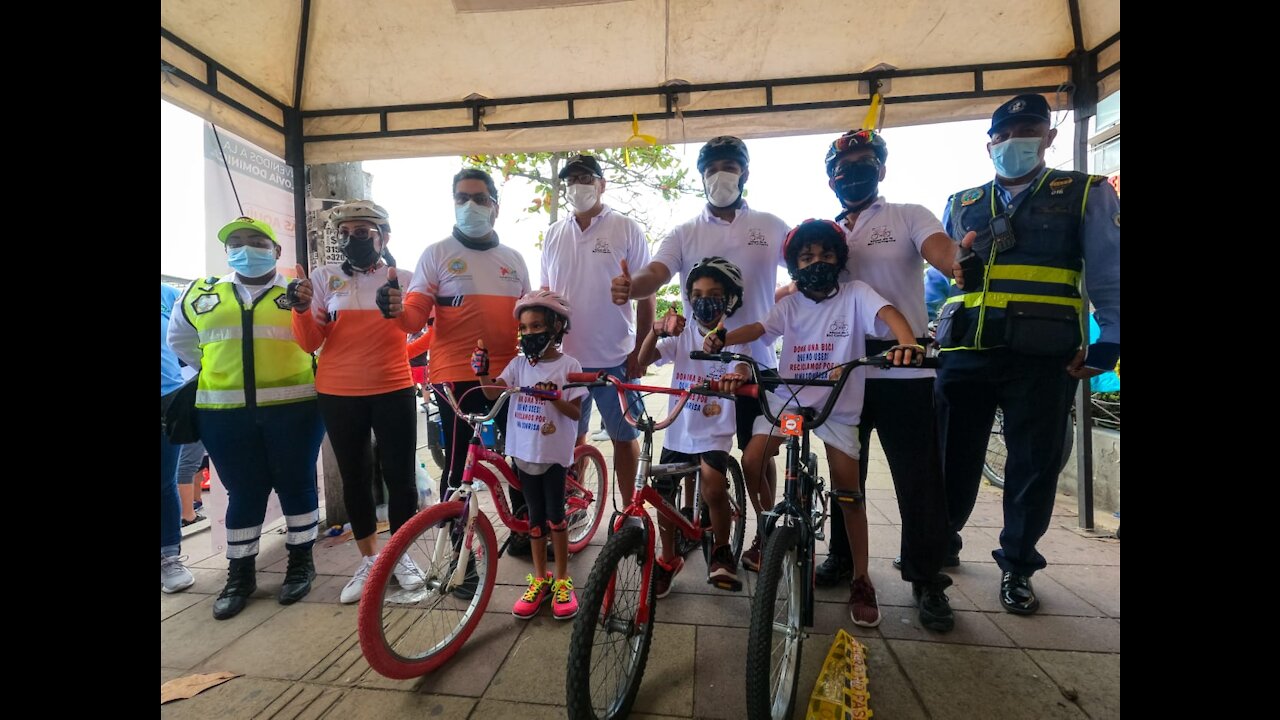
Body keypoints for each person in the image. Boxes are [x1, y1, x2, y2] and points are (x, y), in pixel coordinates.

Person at [936, 93, 1121, 614]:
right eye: (1006, 132)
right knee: (950, 457)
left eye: (1030, 129)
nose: (1016, 139)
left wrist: (1110, 342)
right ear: (990, 143)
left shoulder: (1085, 194)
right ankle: (942, 541)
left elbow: (1111, 274)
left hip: (1042, 355)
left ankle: (1017, 565)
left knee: (1033, 467)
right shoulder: (962, 202)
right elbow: (939, 284)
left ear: (1049, 137)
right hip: (966, 349)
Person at [705, 219, 922, 627]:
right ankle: (769, 527)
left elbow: (888, 313)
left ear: (839, 259)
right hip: (793, 407)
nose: (816, 262)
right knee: (754, 459)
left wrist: (906, 342)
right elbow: (761, 329)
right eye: (806, 257)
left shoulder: (855, 294)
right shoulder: (789, 305)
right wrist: (726, 337)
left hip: (838, 408)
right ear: (794, 266)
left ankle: (861, 578)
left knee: (848, 493)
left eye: (825, 255)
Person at [798, 129, 956, 632]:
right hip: (841, 364)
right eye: (844, 168)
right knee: (846, 470)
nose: (854, 172)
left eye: (865, 162)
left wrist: (959, 264)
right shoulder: (827, 234)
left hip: (902, 361)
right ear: (830, 179)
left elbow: (943, 253)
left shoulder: (908, 215)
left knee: (918, 476)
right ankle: (844, 559)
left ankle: (927, 576)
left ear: (881, 169)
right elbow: (799, 285)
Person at [611, 136, 790, 572]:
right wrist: (631, 287)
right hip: (698, 362)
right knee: (698, 462)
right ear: (701, 177)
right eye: (711, 169)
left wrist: (794, 296)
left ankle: (766, 535)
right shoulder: (684, 232)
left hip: (756, 361)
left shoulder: (769, 225)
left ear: (745, 173)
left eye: (729, 166)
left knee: (756, 456)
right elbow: (655, 272)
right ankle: (702, 542)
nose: (720, 176)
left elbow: (805, 261)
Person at [168, 217, 325, 620]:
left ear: (276, 251)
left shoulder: (298, 293)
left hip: (295, 410)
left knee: (297, 486)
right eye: (236, 242)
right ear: (226, 252)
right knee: (244, 493)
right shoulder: (202, 294)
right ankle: (240, 576)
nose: (245, 247)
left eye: (256, 241)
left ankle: (300, 565)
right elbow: (182, 343)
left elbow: (321, 341)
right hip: (223, 415)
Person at [290, 199, 425, 604]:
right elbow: (309, 342)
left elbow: (416, 327)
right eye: (344, 233)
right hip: (338, 392)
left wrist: (398, 309)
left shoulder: (403, 276)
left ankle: (399, 556)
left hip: (393, 387)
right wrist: (299, 309)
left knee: (400, 479)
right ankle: (370, 559)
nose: (352, 239)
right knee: (356, 477)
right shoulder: (323, 277)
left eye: (362, 232)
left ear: (383, 235)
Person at [540, 154, 654, 506]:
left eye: (586, 178)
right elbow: (546, 297)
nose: (578, 186)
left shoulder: (626, 228)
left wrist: (640, 351)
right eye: (571, 180)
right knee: (571, 440)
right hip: (566, 362)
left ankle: (630, 514)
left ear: (602, 184)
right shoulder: (554, 233)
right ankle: (574, 510)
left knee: (624, 436)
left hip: (616, 358)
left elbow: (647, 295)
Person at [635, 257, 750, 596]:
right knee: (664, 497)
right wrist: (655, 330)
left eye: (714, 293)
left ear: (728, 299)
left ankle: (722, 550)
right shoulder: (683, 337)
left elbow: (742, 366)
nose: (704, 300)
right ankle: (668, 559)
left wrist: (735, 377)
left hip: (714, 429)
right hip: (678, 428)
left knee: (713, 486)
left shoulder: (733, 336)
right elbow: (642, 361)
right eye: (696, 293)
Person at [473, 290, 585, 620]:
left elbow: (575, 414)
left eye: (537, 326)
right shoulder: (518, 365)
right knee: (533, 520)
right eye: (524, 328)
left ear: (557, 327)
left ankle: (563, 579)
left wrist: (553, 398)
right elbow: (493, 390)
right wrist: (482, 372)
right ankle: (540, 578)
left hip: (551, 456)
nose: (529, 334)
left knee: (555, 517)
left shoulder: (569, 366)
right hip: (523, 453)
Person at [161, 284, 195, 594]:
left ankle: (169, 556)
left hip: (167, 398)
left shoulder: (169, 295)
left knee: (164, 482)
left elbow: (192, 334)